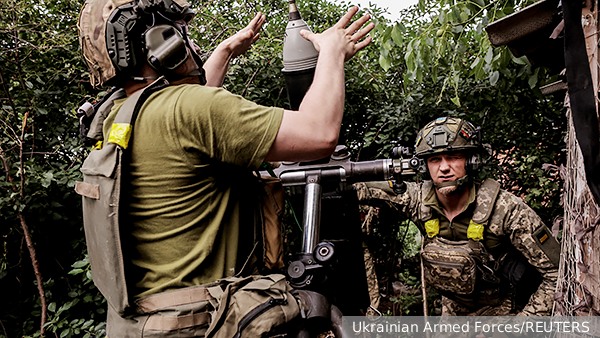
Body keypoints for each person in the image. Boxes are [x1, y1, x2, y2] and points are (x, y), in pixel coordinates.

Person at [77, 0, 373, 335]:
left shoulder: (117, 117)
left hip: (146, 325)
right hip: (203, 324)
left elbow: (190, 121)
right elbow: (318, 133)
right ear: (160, 42)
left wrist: (225, 51)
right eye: (182, 32)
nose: (193, 45)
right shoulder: (192, 109)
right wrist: (332, 53)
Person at [354, 117, 560, 316]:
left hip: (504, 312)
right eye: (435, 160)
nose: (444, 168)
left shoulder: (505, 209)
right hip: (453, 315)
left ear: (471, 161)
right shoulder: (419, 201)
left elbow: (556, 274)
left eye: (453, 157)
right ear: (425, 166)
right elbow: (363, 188)